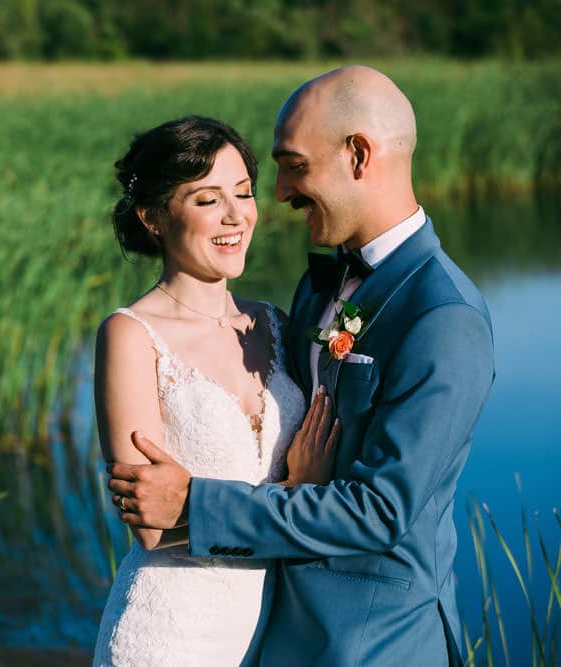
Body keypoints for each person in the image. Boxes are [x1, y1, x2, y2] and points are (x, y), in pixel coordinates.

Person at [107, 66, 495, 666]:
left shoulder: (444, 315)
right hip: (262, 628)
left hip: (368, 643)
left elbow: (382, 509)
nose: (279, 192)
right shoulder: (316, 293)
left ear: (358, 154)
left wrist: (195, 504)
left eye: (293, 165)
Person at [92, 116, 340, 665]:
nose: (236, 217)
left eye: (244, 193)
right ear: (153, 217)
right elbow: (154, 529)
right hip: (169, 633)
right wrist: (300, 496)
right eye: (207, 200)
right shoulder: (131, 335)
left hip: (267, 632)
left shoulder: (273, 323)